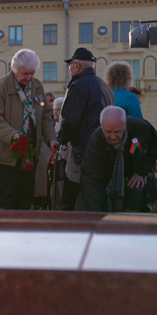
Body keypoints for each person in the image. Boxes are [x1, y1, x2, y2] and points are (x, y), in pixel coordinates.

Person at [0, 49, 57, 210]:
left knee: (25, 199)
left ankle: (23, 230)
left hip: (30, 153)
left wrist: (51, 138)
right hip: (4, 155)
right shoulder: (0, 88)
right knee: (6, 201)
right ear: (15, 69)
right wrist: (14, 136)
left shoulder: (36, 86)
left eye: (32, 73)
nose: (29, 77)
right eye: (25, 73)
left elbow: (45, 115)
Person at [59, 47, 114, 210]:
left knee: (76, 192)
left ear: (77, 66)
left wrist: (62, 139)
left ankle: (72, 226)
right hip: (104, 146)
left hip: (84, 149)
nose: (69, 70)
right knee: (98, 190)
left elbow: (70, 120)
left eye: (70, 66)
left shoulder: (78, 85)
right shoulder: (104, 86)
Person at [79, 106, 157, 212]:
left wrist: (141, 172)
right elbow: (91, 178)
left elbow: (156, 147)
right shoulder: (96, 141)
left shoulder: (141, 127)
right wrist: (95, 214)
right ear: (101, 126)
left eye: (117, 131)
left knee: (135, 193)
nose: (113, 137)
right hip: (106, 178)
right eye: (108, 131)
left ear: (125, 124)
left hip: (134, 173)